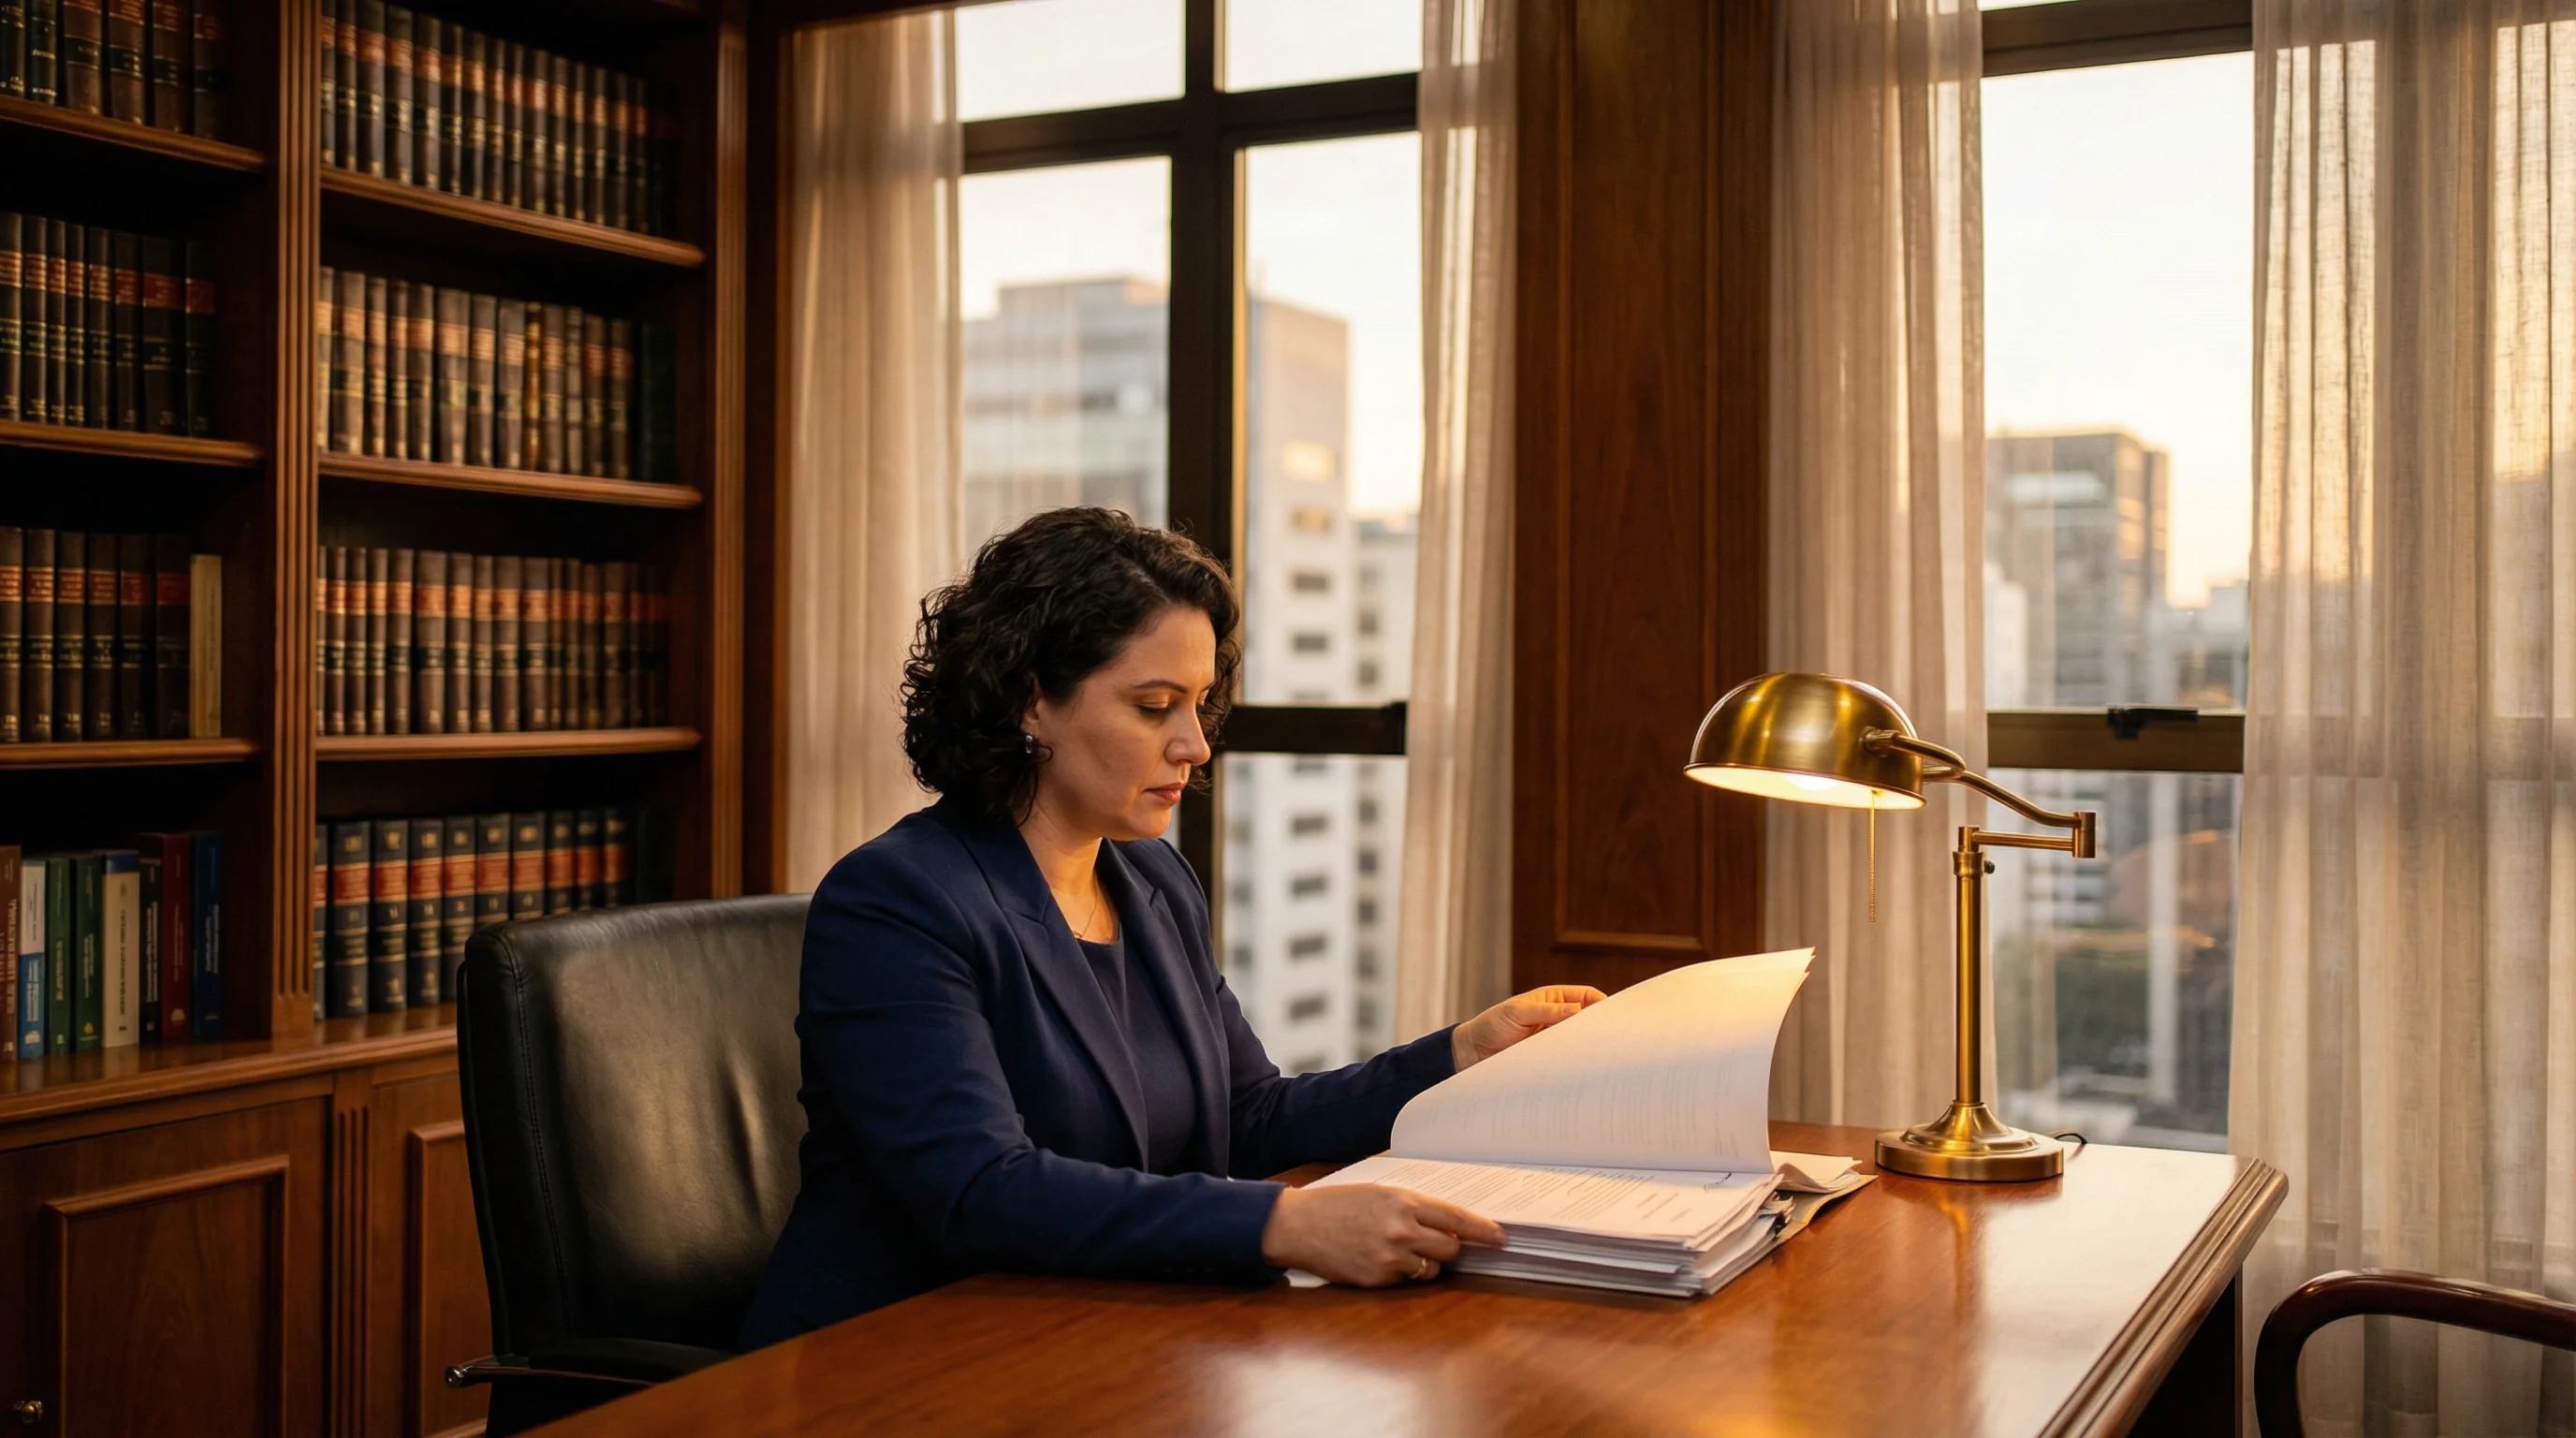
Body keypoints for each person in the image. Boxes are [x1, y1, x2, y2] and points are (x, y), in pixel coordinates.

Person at [739, 507, 1603, 1346]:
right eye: (1154, 705)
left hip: (1092, 1332)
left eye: (1198, 703)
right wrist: (1283, 1224)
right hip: (899, 1357)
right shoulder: (896, 901)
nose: (1194, 745)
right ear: (1030, 703)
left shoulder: (1150, 878)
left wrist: (1459, 1056)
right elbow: (977, 1192)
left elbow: (1250, 1117)